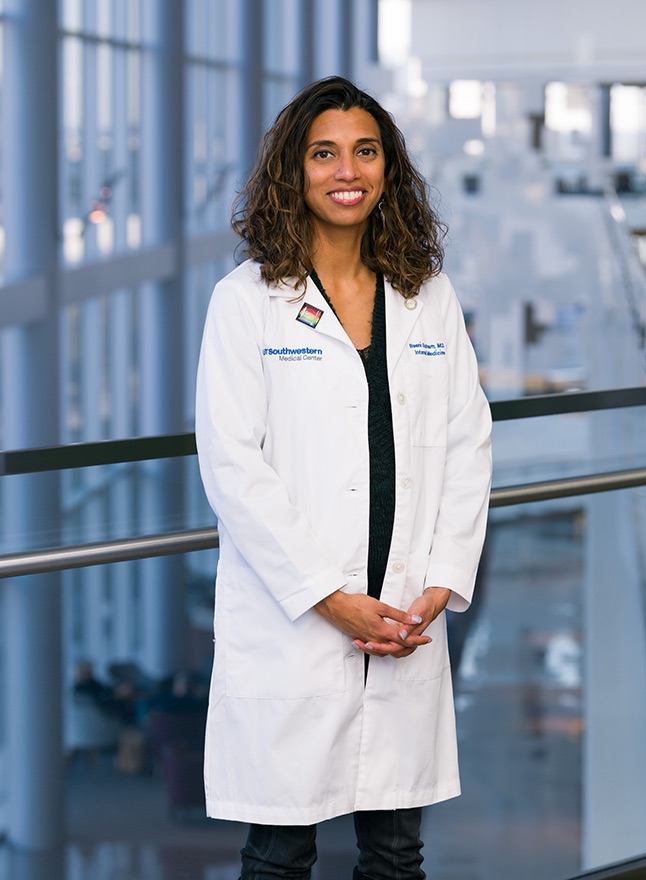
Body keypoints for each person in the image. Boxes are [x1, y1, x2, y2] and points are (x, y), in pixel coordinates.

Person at [195, 76, 492, 880]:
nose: (345, 170)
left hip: (404, 615)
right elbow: (232, 465)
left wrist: (437, 581)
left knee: (397, 856)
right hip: (299, 622)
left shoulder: (426, 296)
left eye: (365, 151)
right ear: (294, 172)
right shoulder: (247, 302)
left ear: (388, 169)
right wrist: (331, 598)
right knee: (282, 852)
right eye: (323, 153)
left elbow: (468, 441)